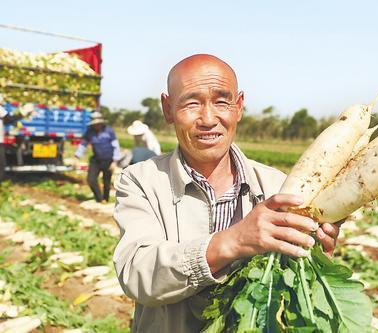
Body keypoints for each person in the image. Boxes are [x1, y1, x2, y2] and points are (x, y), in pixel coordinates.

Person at [113, 54, 340, 332]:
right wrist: (234, 240)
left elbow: (292, 301)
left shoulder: (279, 188)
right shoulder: (141, 181)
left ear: (239, 106)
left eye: (222, 101)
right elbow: (138, 274)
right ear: (168, 109)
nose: (208, 119)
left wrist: (318, 260)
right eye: (191, 103)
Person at [75, 112, 121, 202]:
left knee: (106, 182)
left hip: (108, 160)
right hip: (96, 160)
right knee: (91, 179)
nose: (96, 126)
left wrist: (115, 161)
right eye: (94, 124)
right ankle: (99, 198)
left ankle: (105, 199)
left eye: (97, 124)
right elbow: (83, 144)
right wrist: (77, 156)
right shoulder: (89, 131)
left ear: (101, 123)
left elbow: (116, 146)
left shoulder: (109, 130)